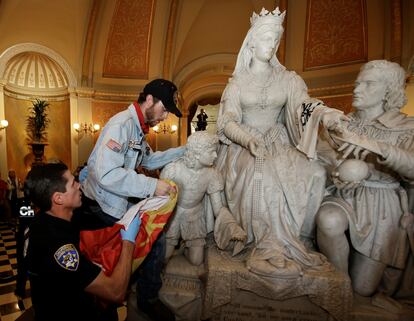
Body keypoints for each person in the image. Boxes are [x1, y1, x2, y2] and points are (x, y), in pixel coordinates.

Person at [215, 7, 345, 277]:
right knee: (263, 175)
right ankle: (268, 245)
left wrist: (325, 113)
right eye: (266, 38)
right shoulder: (237, 84)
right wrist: (248, 138)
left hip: (279, 140)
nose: (272, 44)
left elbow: (303, 107)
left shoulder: (289, 79)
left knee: (315, 171)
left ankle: (301, 238)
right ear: (252, 40)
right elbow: (227, 122)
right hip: (245, 144)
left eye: (276, 39)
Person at [80, 78, 184, 321]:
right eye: (164, 109)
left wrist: (184, 151)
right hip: (100, 207)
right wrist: (152, 185)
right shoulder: (121, 125)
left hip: (116, 202)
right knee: (149, 240)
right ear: (149, 100)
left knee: (152, 238)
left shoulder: (138, 128)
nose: (165, 116)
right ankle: (145, 299)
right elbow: (106, 174)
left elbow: (148, 160)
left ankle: (135, 290)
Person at [316, 60, 414, 307]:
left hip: (383, 204)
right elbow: (321, 156)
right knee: (328, 219)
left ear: (388, 90)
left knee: (364, 288)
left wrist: (374, 146)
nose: (357, 89)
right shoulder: (344, 123)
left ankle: (354, 293)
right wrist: (336, 173)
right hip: (344, 196)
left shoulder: (406, 127)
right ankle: (340, 289)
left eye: (368, 84)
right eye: (357, 83)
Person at [24, 162, 141, 321]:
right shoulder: (59, 247)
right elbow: (115, 292)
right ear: (58, 198)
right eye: (74, 183)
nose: (79, 185)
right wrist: (128, 241)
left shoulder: (46, 219)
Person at [161, 131, 246, 265]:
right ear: (198, 152)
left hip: (194, 215)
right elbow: (159, 201)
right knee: (164, 257)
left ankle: (184, 247)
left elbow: (218, 208)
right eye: (211, 152)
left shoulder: (212, 175)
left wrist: (232, 226)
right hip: (173, 215)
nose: (216, 155)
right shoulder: (173, 170)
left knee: (196, 261)